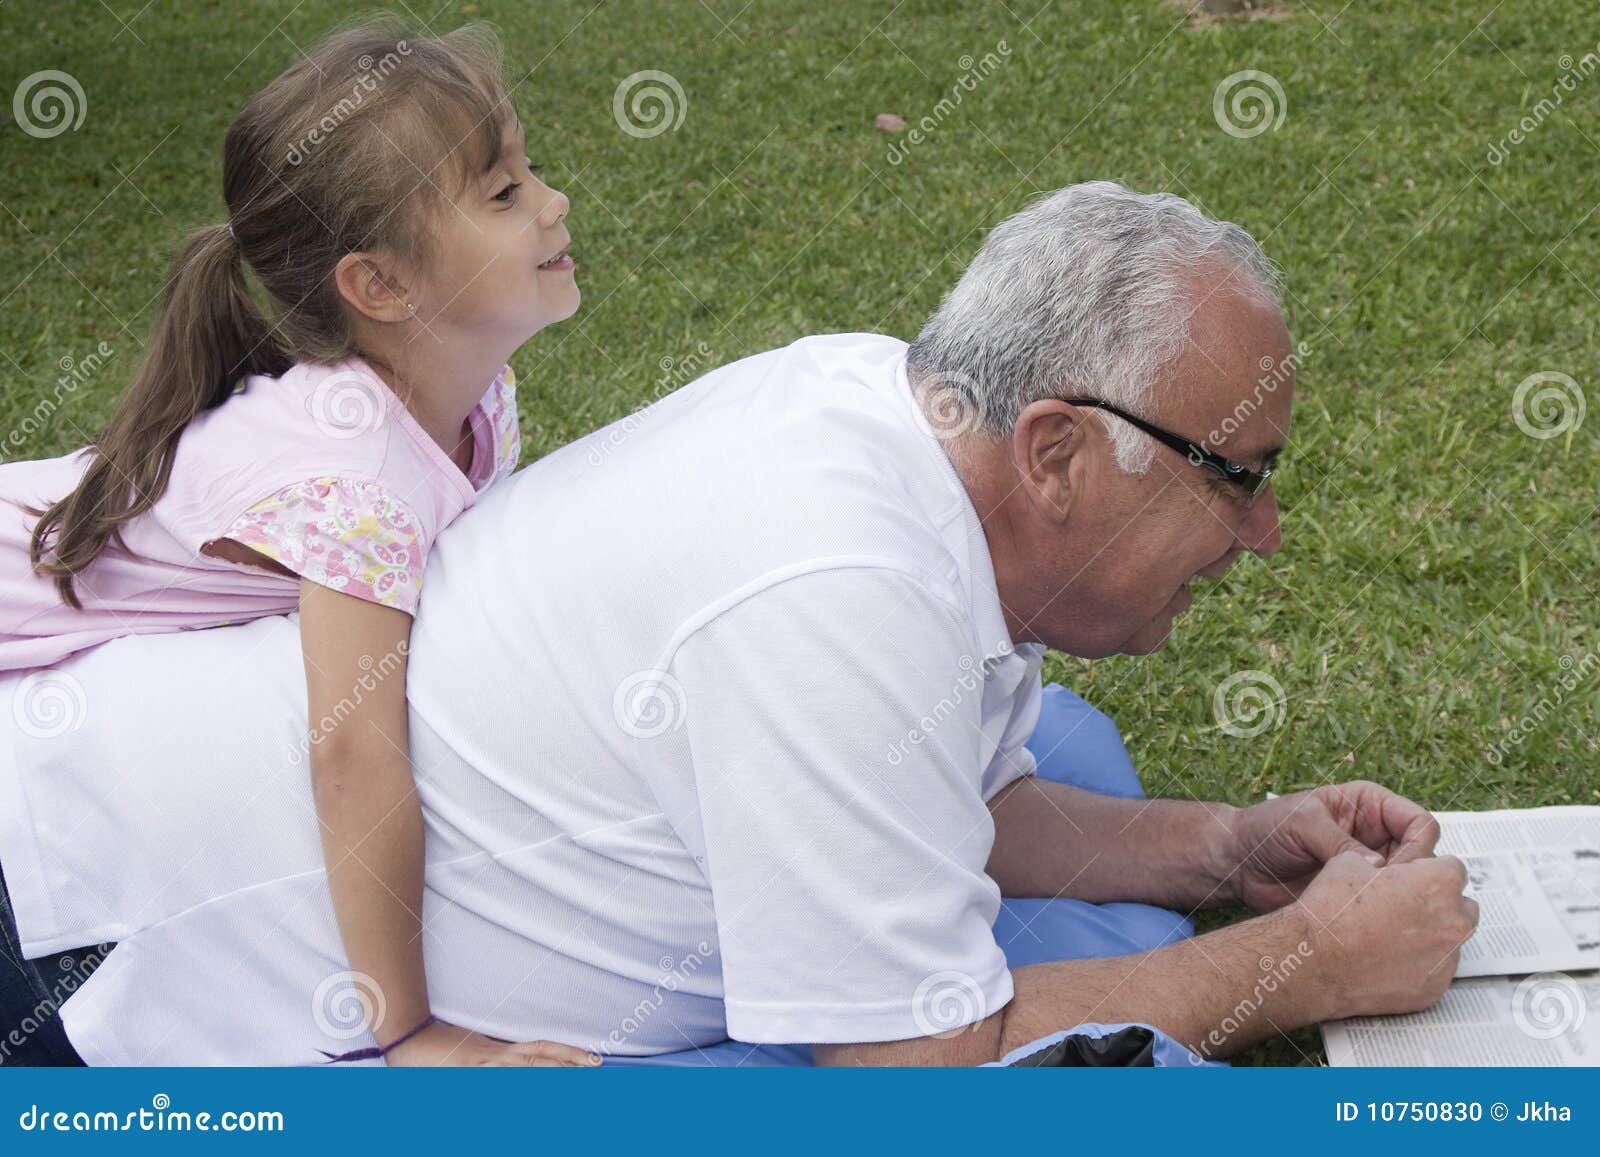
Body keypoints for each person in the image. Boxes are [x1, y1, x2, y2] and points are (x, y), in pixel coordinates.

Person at [0, 182, 1478, 1066]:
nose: (1266, 531)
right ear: (1056, 452)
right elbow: (913, 1065)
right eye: (1241, 476)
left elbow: (948, 797)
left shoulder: (897, 417)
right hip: (97, 939)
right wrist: (1310, 969)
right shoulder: (837, 588)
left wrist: (1230, 849)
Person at [0, 20, 595, 1067]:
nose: (552, 203)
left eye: (527, 170)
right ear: (381, 287)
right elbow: (351, 754)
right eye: (503, 194)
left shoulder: (472, 397)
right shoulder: (355, 483)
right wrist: (410, 1027)